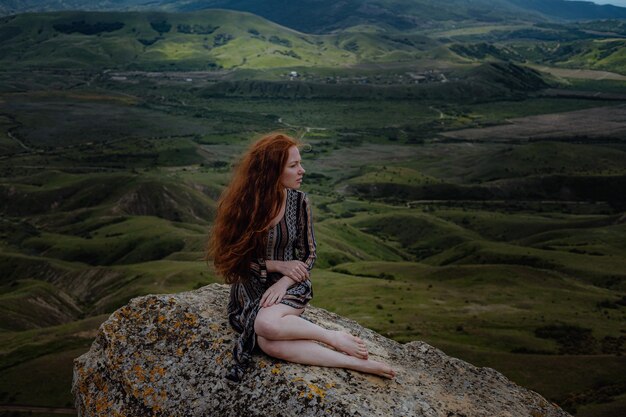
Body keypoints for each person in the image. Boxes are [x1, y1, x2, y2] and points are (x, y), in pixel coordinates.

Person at [207, 132, 396, 382]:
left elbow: (309, 254)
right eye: (293, 165)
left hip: (291, 287)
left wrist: (286, 280)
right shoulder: (245, 205)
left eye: (300, 163)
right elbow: (230, 258)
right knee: (268, 343)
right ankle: (347, 357)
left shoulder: (299, 202)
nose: (302, 170)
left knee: (264, 326)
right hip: (250, 287)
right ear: (272, 171)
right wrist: (277, 265)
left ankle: (333, 339)